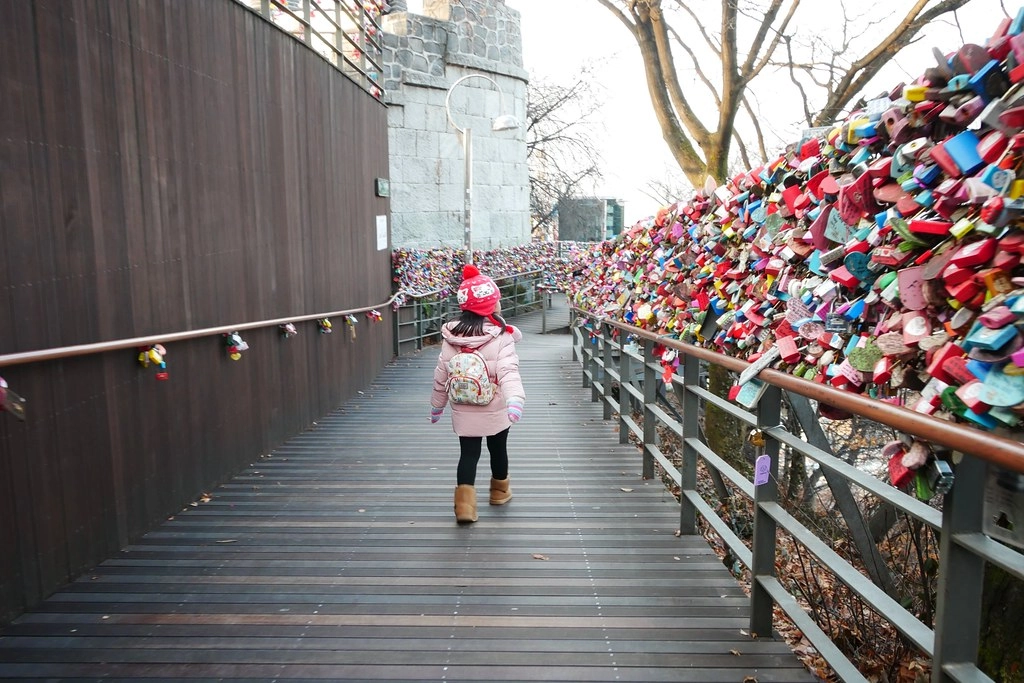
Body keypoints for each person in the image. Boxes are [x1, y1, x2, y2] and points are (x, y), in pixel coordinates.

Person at [430, 264, 526, 523]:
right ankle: (499, 492)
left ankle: (464, 507)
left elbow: (442, 374)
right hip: (493, 404)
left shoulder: (452, 336)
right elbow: (508, 371)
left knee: (468, 454)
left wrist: (437, 405)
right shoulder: (500, 337)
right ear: (491, 306)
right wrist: (514, 398)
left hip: (462, 406)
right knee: (498, 449)